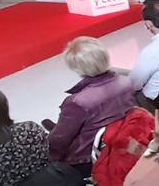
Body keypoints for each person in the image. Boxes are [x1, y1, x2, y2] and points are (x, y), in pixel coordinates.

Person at [47, 36, 134, 170]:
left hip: (88, 156)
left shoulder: (78, 102)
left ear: (77, 68)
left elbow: (59, 142)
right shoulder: (127, 82)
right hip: (125, 139)